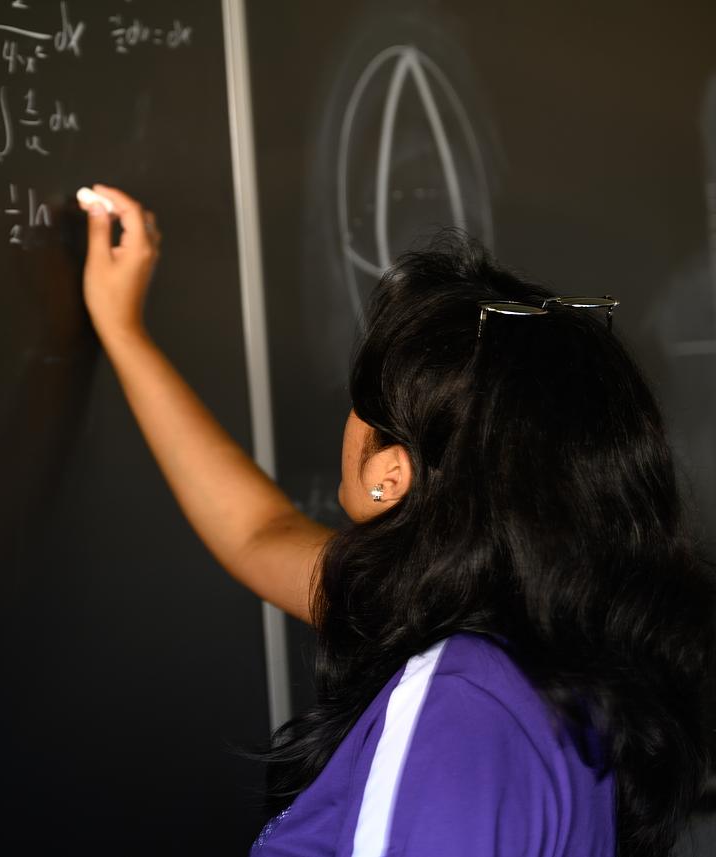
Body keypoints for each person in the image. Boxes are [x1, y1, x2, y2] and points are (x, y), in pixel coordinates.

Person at [76, 184, 715, 857]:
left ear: (391, 474)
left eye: (362, 400)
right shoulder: (551, 630)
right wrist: (124, 331)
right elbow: (256, 532)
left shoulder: (458, 702)